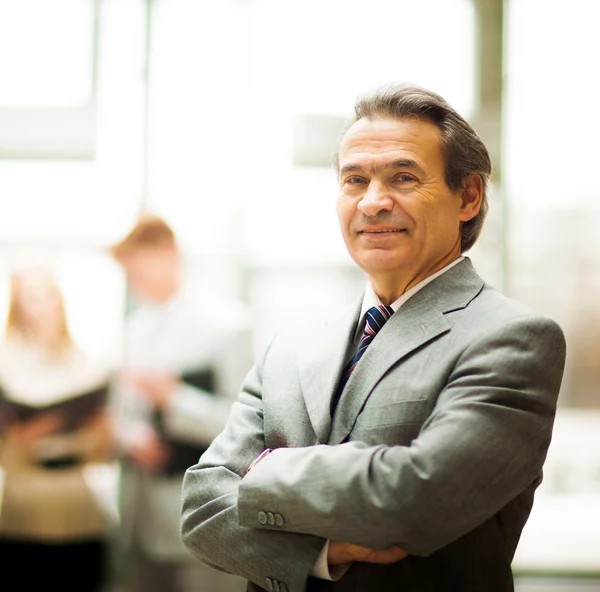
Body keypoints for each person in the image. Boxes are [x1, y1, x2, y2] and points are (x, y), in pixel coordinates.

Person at [180, 83, 567, 592]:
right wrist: (325, 552)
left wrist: (266, 471)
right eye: (354, 180)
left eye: (403, 177)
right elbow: (201, 508)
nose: (373, 202)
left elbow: (416, 500)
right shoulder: (290, 347)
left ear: (468, 196)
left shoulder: (514, 339)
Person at [109, 214, 253, 592]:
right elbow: (122, 411)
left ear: (167, 253)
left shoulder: (227, 324)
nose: (134, 282)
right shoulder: (134, 329)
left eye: (139, 271)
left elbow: (243, 424)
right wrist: (132, 436)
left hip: (200, 508)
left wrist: (172, 397)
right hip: (139, 510)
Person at [0, 267, 114, 591]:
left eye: (47, 295)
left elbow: (101, 451)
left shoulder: (86, 365)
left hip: (77, 510)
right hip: (23, 511)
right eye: (31, 297)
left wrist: (96, 434)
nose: (41, 306)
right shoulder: (6, 364)